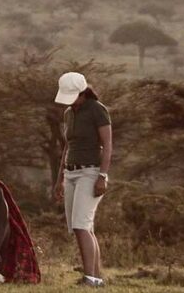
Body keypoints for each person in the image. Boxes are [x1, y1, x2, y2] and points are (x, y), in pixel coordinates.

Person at [51, 71, 113, 288]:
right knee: (81, 226)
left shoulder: (97, 110)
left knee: (81, 225)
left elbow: (107, 145)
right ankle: (95, 277)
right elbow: (67, 146)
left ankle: (90, 277)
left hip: (90, 171)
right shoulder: (69, 113)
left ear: (83, 93)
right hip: (71, 172)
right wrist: (60, 179)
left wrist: (102, 176)